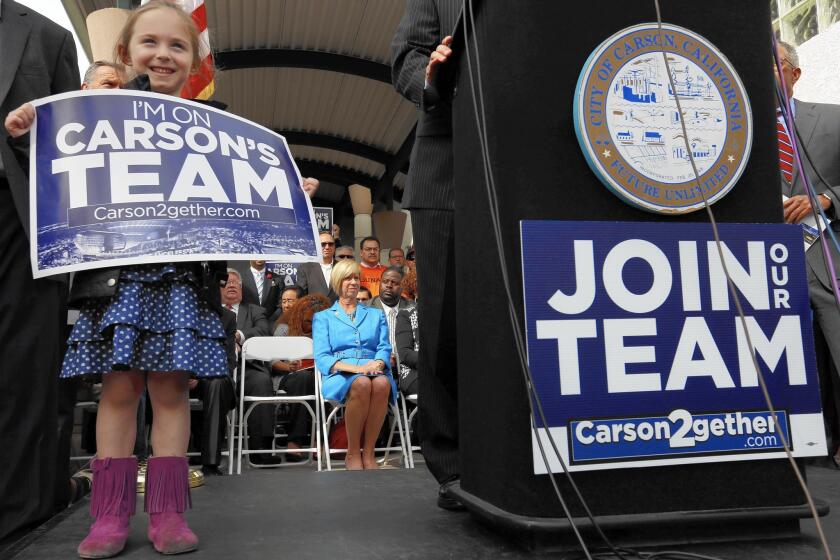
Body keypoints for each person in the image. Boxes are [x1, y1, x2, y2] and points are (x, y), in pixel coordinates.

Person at [5, 2, 228, 556]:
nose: (163, 54)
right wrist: (29, 127)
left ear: (196, 59)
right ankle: (108, 515)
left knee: (171, 391)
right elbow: (54, 161)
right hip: (116, 277)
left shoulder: (216, 125)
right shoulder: (92, 112)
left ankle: (169, 513)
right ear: (126, 54)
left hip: (182, 278)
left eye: (178, 46)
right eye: (149, 43)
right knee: (119, 389)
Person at [0, 0, 79, 541]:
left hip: (17, 221)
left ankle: (18, 515)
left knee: (23, 371)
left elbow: (70, 142)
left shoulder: (48, 36)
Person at [392, 0, 463, 509]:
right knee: (445, 325)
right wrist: (432, 75)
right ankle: (454, 464)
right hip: (447, 170)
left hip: (535, 164)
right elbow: (406, 59)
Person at [776, 40, 840, 465]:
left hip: (826, 261)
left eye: (774, 65)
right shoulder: (733, 128)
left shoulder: (833, 119)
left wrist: (827, 199)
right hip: (766, 265)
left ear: (795, 73)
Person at [313, 259, 397, 470]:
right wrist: (358, 369)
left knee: (381, 384)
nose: (353, 282)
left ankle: (369, 453)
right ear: (337, 282)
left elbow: (384, 347)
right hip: (340, 375)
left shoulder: (375, 314)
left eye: (356, 277)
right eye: (347, 278)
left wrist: (378, 362)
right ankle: (352, 453)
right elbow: (323, 357)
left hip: (374, 370)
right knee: (361, 382)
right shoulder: (323, 317)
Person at [221, 269, 278, 465]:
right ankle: (207, 449)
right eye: (226, 282)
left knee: (262, 381)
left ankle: (260, 450)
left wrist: (238, 335)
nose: (231, 285)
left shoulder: (255, 311)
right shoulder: (209, 310)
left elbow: (263, 331)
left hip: (248, 368)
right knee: (211, 386)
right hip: (217, 368)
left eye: (235, 283)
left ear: (242, 289)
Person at [271, 293, 331, 460]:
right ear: (299, 315)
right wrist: (288, 367)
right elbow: (272, 361)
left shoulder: (324, 332)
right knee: (303, 378)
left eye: (315, 322)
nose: (311, 326)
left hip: (317, 376)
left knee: (323, 382)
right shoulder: (284, 329)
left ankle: (319, 440)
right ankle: (295, 441)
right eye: (308, 321)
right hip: (289, 377)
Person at [370, 266, 416, 370]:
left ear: (402, 287)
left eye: (394, 283)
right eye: (385, 281)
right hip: (376, 365)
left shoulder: (412, 308)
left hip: (408, 366)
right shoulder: (366, 308)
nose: (389, 285)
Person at [296, 231, 337, 299]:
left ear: (334, 246)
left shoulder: (342, 267)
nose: (327, 247)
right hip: (314, 309)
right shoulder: (305, 269)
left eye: (330, 244)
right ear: (316, 246)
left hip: (338, 309)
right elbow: (301, 297)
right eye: (323, 244)